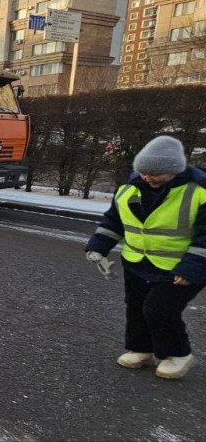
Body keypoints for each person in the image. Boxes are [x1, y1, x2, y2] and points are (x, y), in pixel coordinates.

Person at [85, 135, 206, 379]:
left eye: (156, 174)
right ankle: (142, 349)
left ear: (174, 170)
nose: (148, 177)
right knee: (136, 307)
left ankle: (179, 355)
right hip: (137, 262)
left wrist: (191, 269)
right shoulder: (130, 188)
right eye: (144, 172)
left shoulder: (199, 192)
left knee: (159, 309)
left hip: (179, 267)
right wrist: (98, 246)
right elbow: (114, 221)